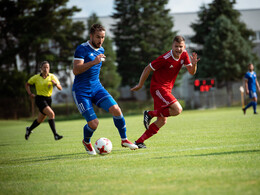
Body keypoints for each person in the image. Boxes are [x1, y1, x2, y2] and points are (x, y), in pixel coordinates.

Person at [72, 23, 138, 155]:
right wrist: (93, 62)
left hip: (97, 88)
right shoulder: (81, 49)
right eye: (98, 37)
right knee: (94, 124)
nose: (100, 40)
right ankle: (86, 141)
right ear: (91, 36)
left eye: (103, 37)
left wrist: (96, 63)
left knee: (116, 110)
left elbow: (94, 72)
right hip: (81, 92)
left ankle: (124, 140)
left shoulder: (101, 50)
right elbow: (76, 70)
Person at [131, 36, 200, 148]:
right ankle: (150, 113)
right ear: (172, 46)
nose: (178, 49)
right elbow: (148, 68)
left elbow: (191, 72)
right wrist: (140, 84)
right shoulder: (165, 58)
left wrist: (194, 64)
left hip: (166, 89)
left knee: (162, 121)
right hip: (158, 87)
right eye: (176, 46)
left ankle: (139, 142)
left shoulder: (184, 55)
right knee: (178, 109)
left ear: (184, 47)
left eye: (181, 46)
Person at [25, 61, 63, 140]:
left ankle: (29, 129)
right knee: (51, 114)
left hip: (48, 100)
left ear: (49, 68)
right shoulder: (36, 77)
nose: (46, 69)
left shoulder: (52, 76)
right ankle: (55, 135)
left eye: (47, 67)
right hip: (40, 99)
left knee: (40, 120)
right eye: (44, 67)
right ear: (41, 69)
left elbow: (60, 88)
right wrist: (30, 93)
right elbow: (27, 84)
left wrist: (55, 84)